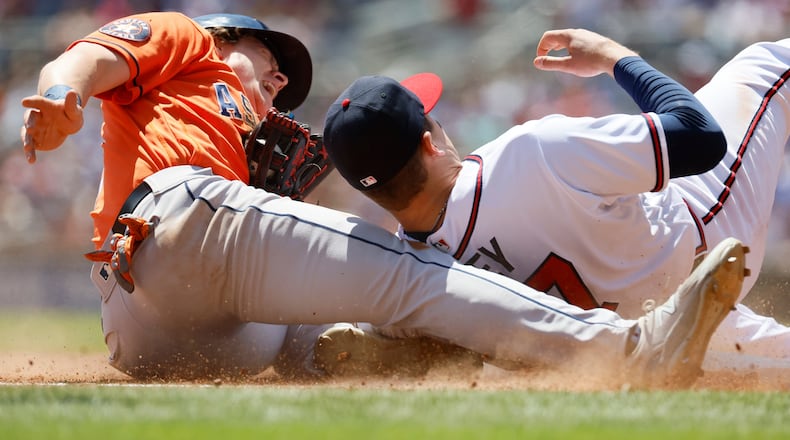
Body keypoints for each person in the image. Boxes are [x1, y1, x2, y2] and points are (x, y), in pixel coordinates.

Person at [19, 11, 745, 389]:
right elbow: (87, 57)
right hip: (177, 215)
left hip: (151, 333)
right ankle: (631, 350)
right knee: (409, 276)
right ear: (224, 35)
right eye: (271, 68)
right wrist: (60, 95)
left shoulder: (241, 146)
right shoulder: (188, 42)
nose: (276, 89)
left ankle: (410, 360)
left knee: (317, 335)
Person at [322, 28, 790, 369]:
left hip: (640, 337)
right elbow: (699, 138)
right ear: (429, 144)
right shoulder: (529, 153)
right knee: (770, 62)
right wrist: (612, 57)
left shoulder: (413, 271)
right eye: (432, 120)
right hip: (710, 236)